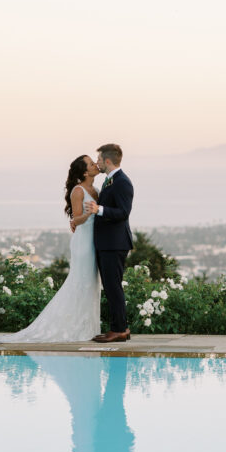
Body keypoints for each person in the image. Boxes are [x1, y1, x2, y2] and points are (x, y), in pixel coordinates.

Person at [0, 154, 102, 343]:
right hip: (83, 244)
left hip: (94, 242)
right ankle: (75, 328)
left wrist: (97, 209)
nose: (95, 165)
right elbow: (76, 219)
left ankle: (88, 327)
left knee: (91, 284)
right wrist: (89, 212)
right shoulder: (78, 191)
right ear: (85, 172)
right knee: (80, 283)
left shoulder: (96, 189)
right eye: (92, 164)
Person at [85, 143, 134, 343]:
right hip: (107, 243)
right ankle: (117, 327)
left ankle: (120, 330)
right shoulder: (110, 181)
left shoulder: (122, 182)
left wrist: (99, 210)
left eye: (98, 160)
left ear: (107, 160)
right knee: (111, 286)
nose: (97, 163)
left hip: (115, 244)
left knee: (113, 287)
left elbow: (123, 213)